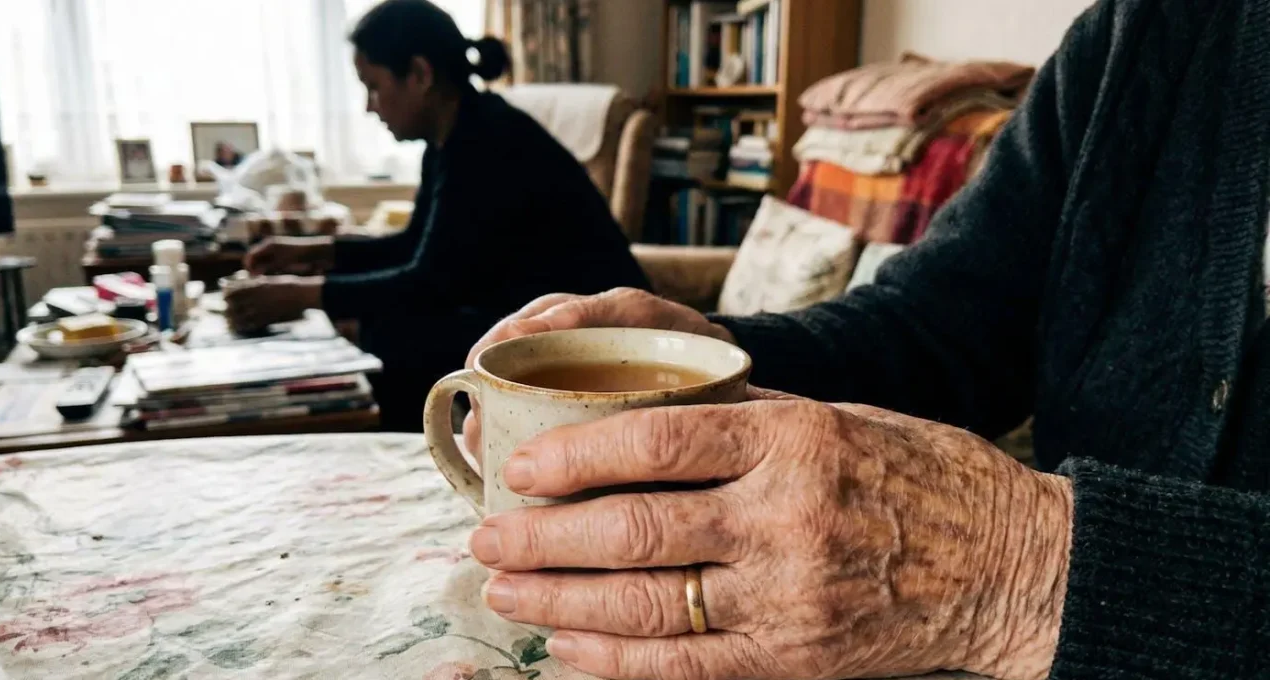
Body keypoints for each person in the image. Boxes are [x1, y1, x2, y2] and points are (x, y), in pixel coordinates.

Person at [460, 1, 1270, 678]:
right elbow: (939, 329)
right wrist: (713, 360)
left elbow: (1027, 566)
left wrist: (1029, 569)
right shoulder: (1153, 32)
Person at [228, 0, 649, 431]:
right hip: (530, 312)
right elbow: (416, 246)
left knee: (396, 334)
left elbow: (431, 281)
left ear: (420, 75)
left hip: (593, 331)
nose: (370, 107)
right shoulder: (452, 137)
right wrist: (311, 252)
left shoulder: (488, 142)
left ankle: (410, 459)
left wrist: (302, 294)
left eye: (373, 86)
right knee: (387, 324)